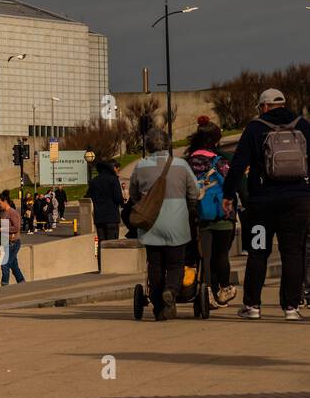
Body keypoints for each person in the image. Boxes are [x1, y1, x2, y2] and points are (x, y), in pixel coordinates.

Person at [224, 89, 310, 320]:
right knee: (292, 253)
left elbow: (238, 165)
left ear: (263, 106)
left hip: (262, 205)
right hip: (297, 202)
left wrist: (228, 195)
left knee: (258, 251)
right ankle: (291, 308)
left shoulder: (255, 128)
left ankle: (252, 306)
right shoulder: (303, 125)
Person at [130, 128, 200, 321]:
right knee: (176, 264)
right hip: (177, 223)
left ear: (148, 145)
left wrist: (142, 205)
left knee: (155, 265)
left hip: (150, 224)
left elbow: (133, 195)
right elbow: (194, 193)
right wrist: (191, 208)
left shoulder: (140, 166)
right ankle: (170, 290)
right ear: (168, 144)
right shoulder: (181, 165)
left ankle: (158, 307)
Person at [186, 123, 238, 309]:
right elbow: (231, 185)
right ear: (216, 141)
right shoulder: (220, 162)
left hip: (199, 217)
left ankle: (205, 289)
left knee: (205, 257)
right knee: (221, 255)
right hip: (222, 216)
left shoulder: (187, 163)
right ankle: (223, 288)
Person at [88, 160, 124, 254]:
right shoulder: (113, 179)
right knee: (112, 244)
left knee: (102, 244)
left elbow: (90, 196)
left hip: (99, 217)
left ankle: (101, 267)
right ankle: (111, 267)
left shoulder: (94, 181)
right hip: (111, 217)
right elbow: (118, 198)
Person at [0, 191, 25, 285]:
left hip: (13, 243)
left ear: (5, 201)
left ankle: (5, 286)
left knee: (5, 264)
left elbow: (16, 227)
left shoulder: (12, 212)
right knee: (14, 266)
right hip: (6, 243)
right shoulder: (3, 213)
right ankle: (22, 284)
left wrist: (1, 229)